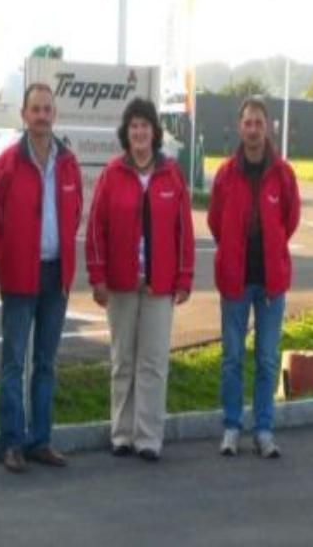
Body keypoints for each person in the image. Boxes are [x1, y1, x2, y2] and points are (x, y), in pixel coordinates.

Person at [86, 97, 194, 462]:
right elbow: (96, 228)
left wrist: (184, 278)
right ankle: (121, 434)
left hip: (160, 285)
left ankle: (148, 437)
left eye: (145, 125)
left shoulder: (171, 175)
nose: (139, 132)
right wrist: (97, 277)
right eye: (133, 126)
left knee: (153, 363)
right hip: (120, 283)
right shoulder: (112, 174)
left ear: (154, 131)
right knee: (123, 362)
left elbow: (184, 232)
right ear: (126, 132)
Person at [0, 83, 83, 473]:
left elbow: (72, 215)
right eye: (35, 109)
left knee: (46, 363)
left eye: (47, 109)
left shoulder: (68, 163)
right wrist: (6, 258)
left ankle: (40, 440)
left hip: (55, 276)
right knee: (12, 363)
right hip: (19, 278)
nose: (41, 115)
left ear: (54, 115)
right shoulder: (8, 163)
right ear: (24, 116)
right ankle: (11, 442)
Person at [208, 95, 300, 458]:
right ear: (239, 127)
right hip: (234, 281)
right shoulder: (226, 175)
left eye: (259, 123)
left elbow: (289, 220)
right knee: (231, 358)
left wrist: (273, 250)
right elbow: (216, 221)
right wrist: (233, 250)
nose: (253, 129)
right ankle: (231, 427)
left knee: (266, 359)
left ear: (268, 127)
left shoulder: (283, 174)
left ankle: (263, 430)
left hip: (270, 284)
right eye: (247, 122)